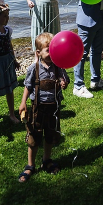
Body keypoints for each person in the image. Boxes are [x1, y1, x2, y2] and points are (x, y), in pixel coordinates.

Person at [18, 32, 69, 183]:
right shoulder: (34, 68)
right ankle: (30, 165)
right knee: (34, 136)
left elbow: (65, 80)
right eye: (48, 50)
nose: (52, 53)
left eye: (53, 49)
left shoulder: (58, 66)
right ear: (38, 53)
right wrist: (23, 103)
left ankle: (46, 160)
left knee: (50, 135)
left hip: (53, 107)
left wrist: (63, 82)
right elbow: (27, 86)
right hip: (37, 108)